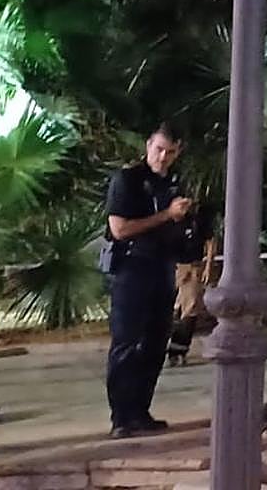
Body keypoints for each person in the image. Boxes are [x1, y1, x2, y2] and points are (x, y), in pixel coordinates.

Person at [103, 123, 191, 439]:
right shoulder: (128, 180)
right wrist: (167, 215)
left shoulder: (175, 184)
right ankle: (121, 416)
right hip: (131, 268)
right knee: (126, 342)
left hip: (162, 267)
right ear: (148, 145)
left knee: (155, 343)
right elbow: (120, 229)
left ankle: (140, 411)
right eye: (158, 149)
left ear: (178, 152)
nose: (163, 157)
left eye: (169, 152)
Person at [166, 206, 216, 366]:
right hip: (173, 266)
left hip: (193, 265)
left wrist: (208, 266)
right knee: (170, 309)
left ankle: (179, 349)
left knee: (191, 307)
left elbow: (210, 241)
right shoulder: (167, 218)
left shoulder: (198, 219)